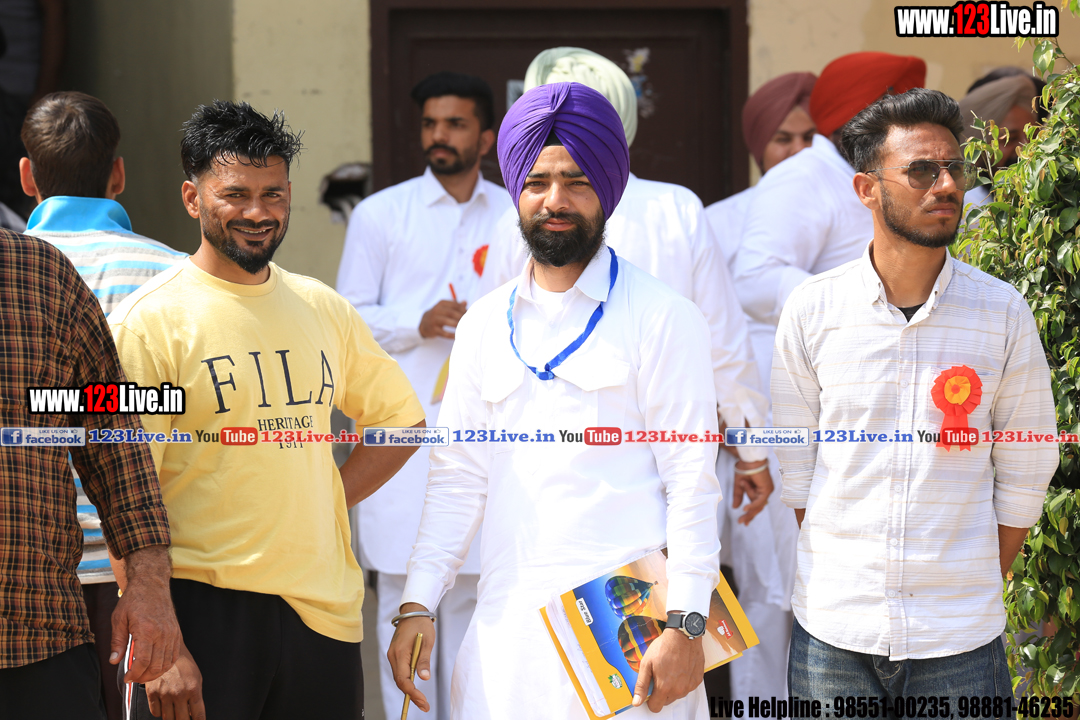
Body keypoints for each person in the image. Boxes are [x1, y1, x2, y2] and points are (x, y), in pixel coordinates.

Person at [388, 81, 722, 720]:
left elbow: (692, 482)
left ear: (609, 190)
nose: (555, 200)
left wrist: (686, 623)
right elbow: (457, 477)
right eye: (537, 182)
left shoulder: (662, 316)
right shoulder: (484, 324)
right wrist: (417, 602)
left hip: (630, 633)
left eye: (577, 181)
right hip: (507, 637)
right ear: (516, 191)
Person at [108, 100, 426, 720]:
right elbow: (122, 488)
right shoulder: (147, 324)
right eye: (235, 194)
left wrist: (324, 496)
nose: (257, 213)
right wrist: (160, 643)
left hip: (323, 616)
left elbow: (400, 424)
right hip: (198, 612)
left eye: (272, 194)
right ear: (192, 199)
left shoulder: (322, 307)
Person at [773, 88, 1057, 704]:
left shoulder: (1002, 313)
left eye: (954, 168)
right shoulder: (812, 310)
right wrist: (851, 578)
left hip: (960, 638)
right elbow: (799, 470)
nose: (946, 185)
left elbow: (1028, 464)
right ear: (867, 189)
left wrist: (966, 584)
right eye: (922, 171)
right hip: (834, 632)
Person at [480, 47, 772, 525]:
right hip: (664, 460)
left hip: (549, 474)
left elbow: (499, 348)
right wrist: (752, 450)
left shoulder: (522, 218)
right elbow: (724, 344)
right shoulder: (676, 208)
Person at [335, 71, 510, 720]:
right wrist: (418, 320)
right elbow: (348, 315)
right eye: (431, 123)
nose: (439, 135)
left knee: (475, 599)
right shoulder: (382, 214)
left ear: (485, 138)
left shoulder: (515, 213)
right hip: (401, 437)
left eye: (455, 124)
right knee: (401, 595)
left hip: (486, 432)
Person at [17, 89, 186, 720]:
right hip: (152, 569)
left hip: (35, 575)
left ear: (28, 177)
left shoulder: (17, 277)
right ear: (118, 175)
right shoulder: (176, 275)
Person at [702, 70, 816, 703]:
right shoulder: (717, 221)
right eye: (782, 138)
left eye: (809, 137)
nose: (797, 152)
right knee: (758, 594)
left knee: (822, 594)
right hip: (744, 437)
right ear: (756, 145)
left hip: (828, 434)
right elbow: (703, 331)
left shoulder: (845, 209)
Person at [732, 52, 925, 329]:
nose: (900, 131)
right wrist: (860, 309)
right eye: (885, 115)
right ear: (848, 117)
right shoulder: (802, 176)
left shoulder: (891, 173)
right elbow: (755, 282)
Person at [958, 74, 1039, 208]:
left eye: (1033, 137)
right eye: (1010, 139)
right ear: (977, 147)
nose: (1026, 148)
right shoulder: (966, 207)